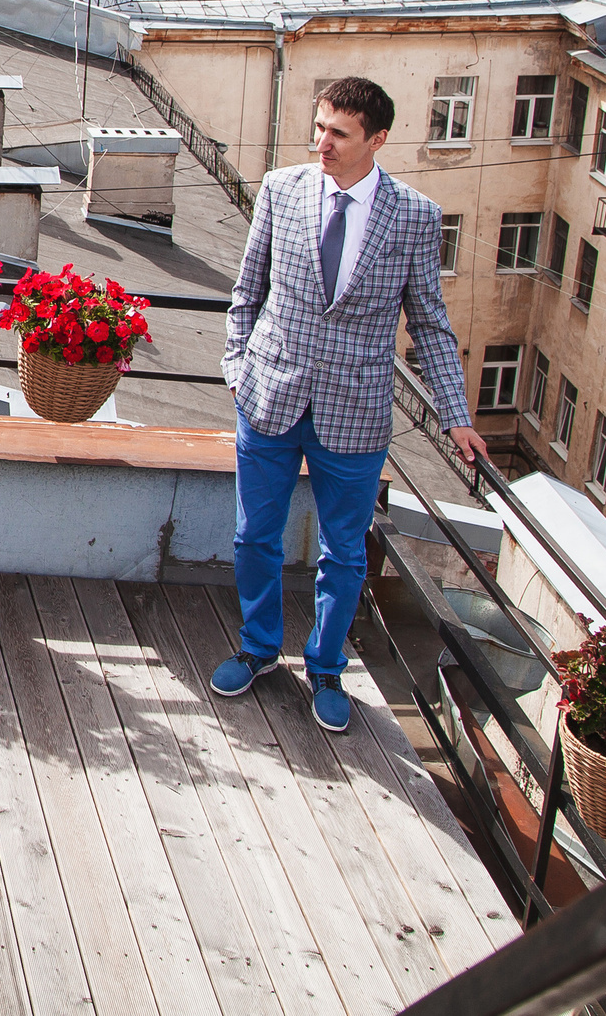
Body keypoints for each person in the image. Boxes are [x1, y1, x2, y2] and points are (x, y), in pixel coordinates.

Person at [214, 76, 487, 734]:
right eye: (320, 126)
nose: (322, 142)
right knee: (254, 533)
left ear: (377, 139)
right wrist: (237, 365)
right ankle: (257, 647)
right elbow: (247, 288)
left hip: (355, 413)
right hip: (271, 394)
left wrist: (456, 414)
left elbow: (430, 322)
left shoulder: (416, 216)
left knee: (345, 553)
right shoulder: (282, 189)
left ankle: (327, 668)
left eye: (338, 132)